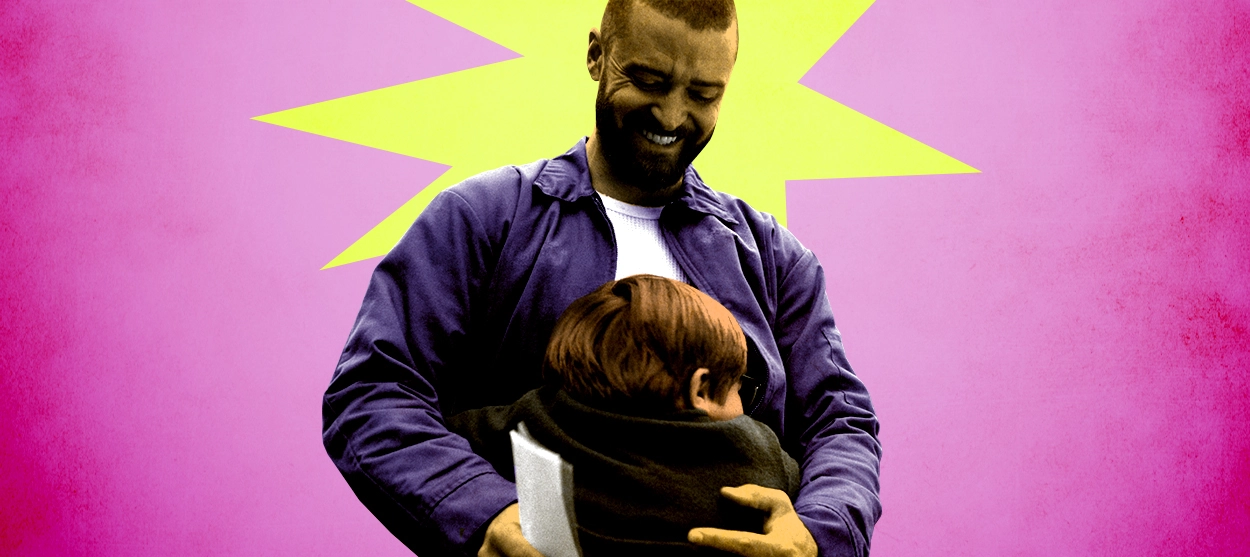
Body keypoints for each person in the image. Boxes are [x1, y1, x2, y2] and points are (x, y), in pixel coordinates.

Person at [322, 0, 882, 556]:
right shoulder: (480, 221)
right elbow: (374, 393)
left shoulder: (776, 261)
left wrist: (818, 533)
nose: (671, 116)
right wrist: (483, 511)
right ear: (596, 55)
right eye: (648, 81)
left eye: (703, 95)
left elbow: (840, 423)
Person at [446, 275, 801, 556]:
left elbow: (442, 440)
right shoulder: (755, 454)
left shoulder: (535, 420)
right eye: (741, 388)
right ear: (701, 388)